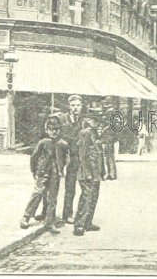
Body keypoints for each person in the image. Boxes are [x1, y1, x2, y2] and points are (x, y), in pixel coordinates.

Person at [20, 115, 69, 234]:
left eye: (56, 129)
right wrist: (34, 171)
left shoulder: (63, 144)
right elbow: (34, 157)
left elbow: (67, 159)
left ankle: (49, 222)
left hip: (55, 173)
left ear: (59, 130)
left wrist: (62, 169)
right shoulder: (43, 142)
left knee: (52, 198)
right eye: (51, 129)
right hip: (42, 172)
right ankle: (26, 217)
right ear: (46, 130)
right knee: (38, 193)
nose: (54, 132)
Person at [73, 111, 103, 236]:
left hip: (95, 172)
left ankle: (87, 223)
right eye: (94, 121)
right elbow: (82, 154)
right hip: (87, 173)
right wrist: (87, 172)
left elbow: (98, 154)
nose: (97, 124)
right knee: (86, 198)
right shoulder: (86, 133)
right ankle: (79, 225)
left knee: (93, 197)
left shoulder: (94, 133)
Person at [60, 94, 83, 224]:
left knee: (71, 188)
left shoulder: (83, 121)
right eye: (73, 105)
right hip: (62, 156)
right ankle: (46, 212)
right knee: (51, 186)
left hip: (75, 158)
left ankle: (67, 214)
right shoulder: (61, 118)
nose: (75, 108)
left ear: (81, 106)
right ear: (69, 106)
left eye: (78, 105)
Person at [100, 110, 118, 180]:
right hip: (109, 143)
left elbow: (110, 136)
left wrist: (103, 141)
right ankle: (111, 174)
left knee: (108, 159)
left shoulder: (110, 126)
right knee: (109, 159)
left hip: (108, 143)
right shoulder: (112, 125)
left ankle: (111, 174)